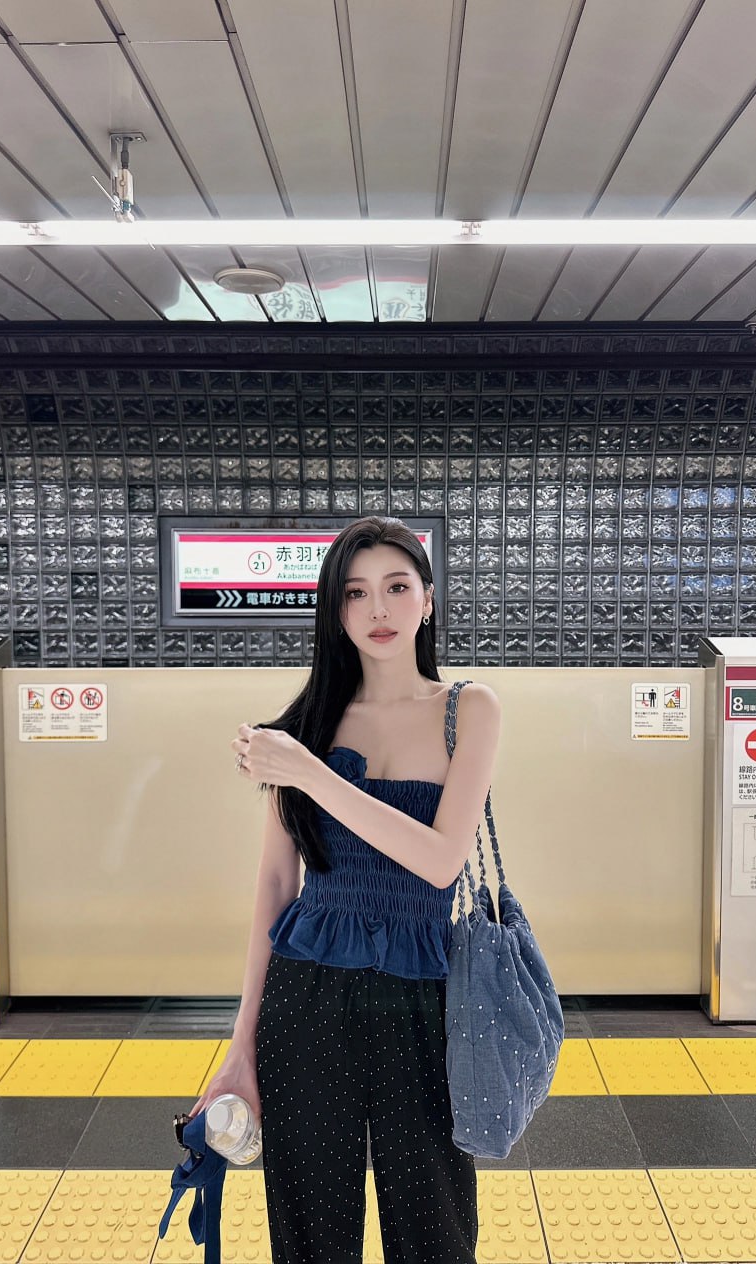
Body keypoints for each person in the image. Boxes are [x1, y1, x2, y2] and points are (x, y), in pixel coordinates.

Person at [188, 515, 501, 1264]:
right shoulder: (305, 724)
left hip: (424, 999)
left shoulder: (469, 709)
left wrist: (310, 772)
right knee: (309, 1228)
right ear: (335, 611)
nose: (378, 609)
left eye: (397, 587)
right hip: (306, 997)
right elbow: (275, 883)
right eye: (355, 593)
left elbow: (440, 860)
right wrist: (240, 1044)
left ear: (428, 598)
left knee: (435, 1226)